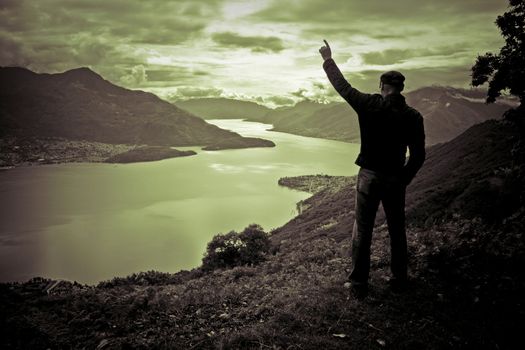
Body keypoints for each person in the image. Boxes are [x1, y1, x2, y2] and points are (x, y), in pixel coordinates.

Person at [319, 40, 426, 299]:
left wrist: (328, 60)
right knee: (397, 229)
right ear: (401, 89)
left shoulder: (369, 104)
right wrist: (404, 178)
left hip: (369, 176)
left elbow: (343, 87)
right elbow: (419, 155)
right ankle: (399, 279)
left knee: (363, 229)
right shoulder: (413, 116)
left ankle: (358, 285)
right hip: (394, 178)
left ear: (381, 86)